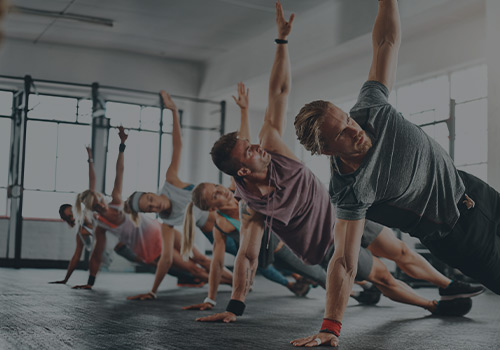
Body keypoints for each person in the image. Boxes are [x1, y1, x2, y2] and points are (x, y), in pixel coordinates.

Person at [200, 2, 483, 337]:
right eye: (249, 151)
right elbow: (247, 257)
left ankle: (449, 285)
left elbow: (279, 92)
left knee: (401, 251)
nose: (256, 146)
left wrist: (282, 43)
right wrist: (235, 306)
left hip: (347, 213)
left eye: (251, 143)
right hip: (325, 248)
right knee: (382, 275)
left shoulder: (273, 146)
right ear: (243, 172)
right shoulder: (253, 208)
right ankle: (432, 306)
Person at [293, 0, 496, 346]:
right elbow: (343, 260)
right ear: (326, 150)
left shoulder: (372, 106)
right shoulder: (350, 190)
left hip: (476, 192)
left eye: (347, 119)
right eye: (341, 132)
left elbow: (385, 42)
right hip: (454, 234)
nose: (354, 129)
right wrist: (331, 326)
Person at [182, 84, 325, 308]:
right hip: (269, 257)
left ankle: (357, 288)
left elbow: (244, 150)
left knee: (317, 272)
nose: (221, 191)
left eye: (216, 187)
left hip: (283, 245)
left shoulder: (236, 187)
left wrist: (244, 110)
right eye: (215, 196)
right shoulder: (222, 223)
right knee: (266, 265)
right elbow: (217, 264)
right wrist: (211, 298)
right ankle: (297, 283)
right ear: (212, 208)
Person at [72, 127, 224, 293]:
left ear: (101, 196)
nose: (101, 205)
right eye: (96, 206)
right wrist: (90, 282)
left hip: (161, 232)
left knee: (201, 258)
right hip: (151, 249)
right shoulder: (102, 226)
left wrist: (121, 145)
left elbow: (119, 172)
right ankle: (228, 285)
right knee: (193, 269)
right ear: (92, 210)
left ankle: (237, 281)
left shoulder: (116, 200)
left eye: (100, 200)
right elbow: (96, 254)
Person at [125, 91, 233, 300]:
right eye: (149, 209)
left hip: (225, 210)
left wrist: (173, 112)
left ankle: (244, 281)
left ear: (151, 193)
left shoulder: (170, 181)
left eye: (150, 200)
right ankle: (237, 282)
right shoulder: (166, 222)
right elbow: (166, 259)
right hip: (212, 228)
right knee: (207, 262)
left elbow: (178, 145)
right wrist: (153, 291)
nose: (154, 206)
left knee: (259, 249)